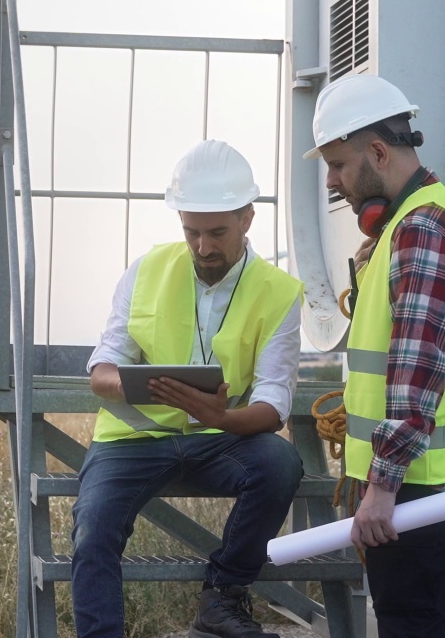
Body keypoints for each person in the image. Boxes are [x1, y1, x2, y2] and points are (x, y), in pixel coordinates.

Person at [306, 74, 445, 638]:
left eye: (339, 165)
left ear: (378, 151)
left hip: (416, 491)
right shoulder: (428, 219)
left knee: (416, 625)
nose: (333, 182)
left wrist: (382, 487)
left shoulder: (420, 231)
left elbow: (414, 370)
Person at [75, 139, 305, 638]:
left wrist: (221, 419)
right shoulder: (145, 271)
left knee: (280, 462)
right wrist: (147, 389)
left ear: (247, 218)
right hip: (130, 442)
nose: (203, 247)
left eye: (217, 232)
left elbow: (272, 406)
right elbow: (102, 372)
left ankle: (222, 596)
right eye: (192, 232)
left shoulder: (281, 293)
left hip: (219, 440)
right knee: (93, 532)